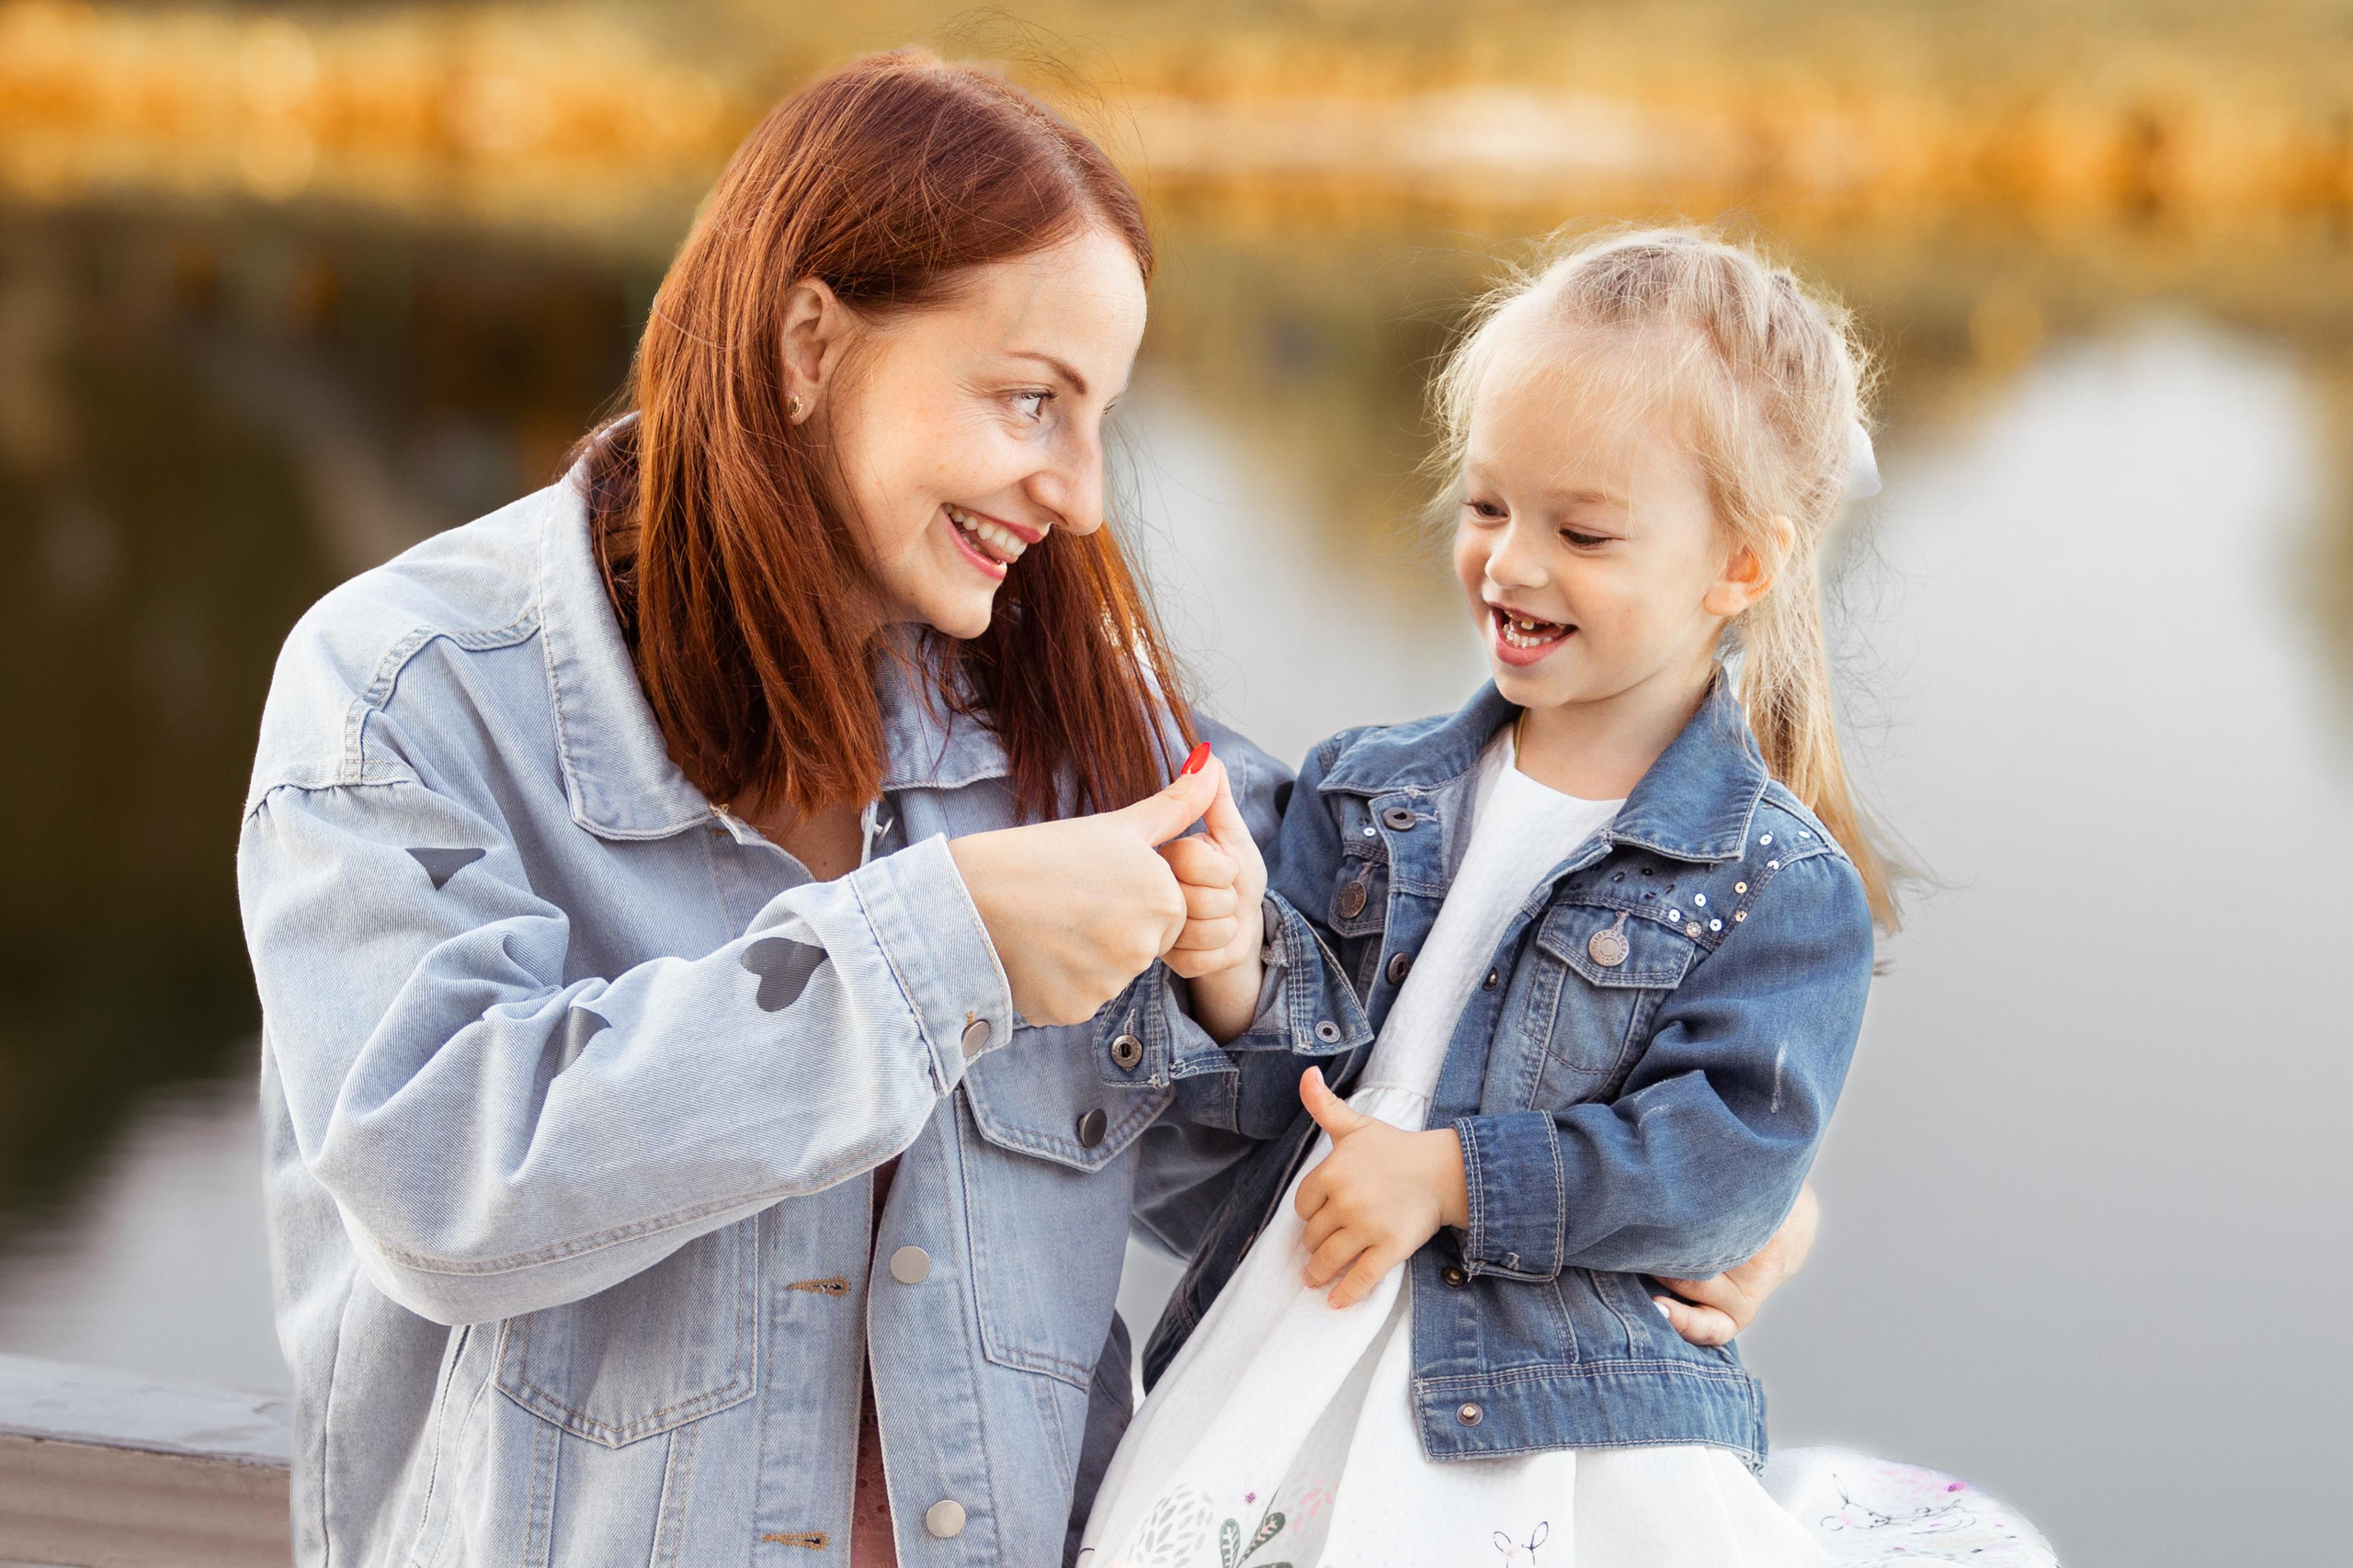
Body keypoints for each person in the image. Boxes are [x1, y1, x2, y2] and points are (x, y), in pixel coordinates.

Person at [236, 51, 1813, 1568]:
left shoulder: (1095, 727)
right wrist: (944, 948)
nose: (1081, 492)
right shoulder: (408, 693)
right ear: (807, 344)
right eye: (1026, 401)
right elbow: (441, 1181)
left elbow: (1325, 1132)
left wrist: (1659, 1195)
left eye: (1101, 414)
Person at [1082, 231, 2058, 1567]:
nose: (1514, 564)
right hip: (1298, 1334)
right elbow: (1276, 1104)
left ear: (1742, 567)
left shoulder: (1773, 882)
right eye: (1488, 507)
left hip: (1549, 1412)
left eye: (1582, 531)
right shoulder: (1370, 788)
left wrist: (1453, 1174)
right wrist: (1233, 969)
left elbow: (1723, 1168)